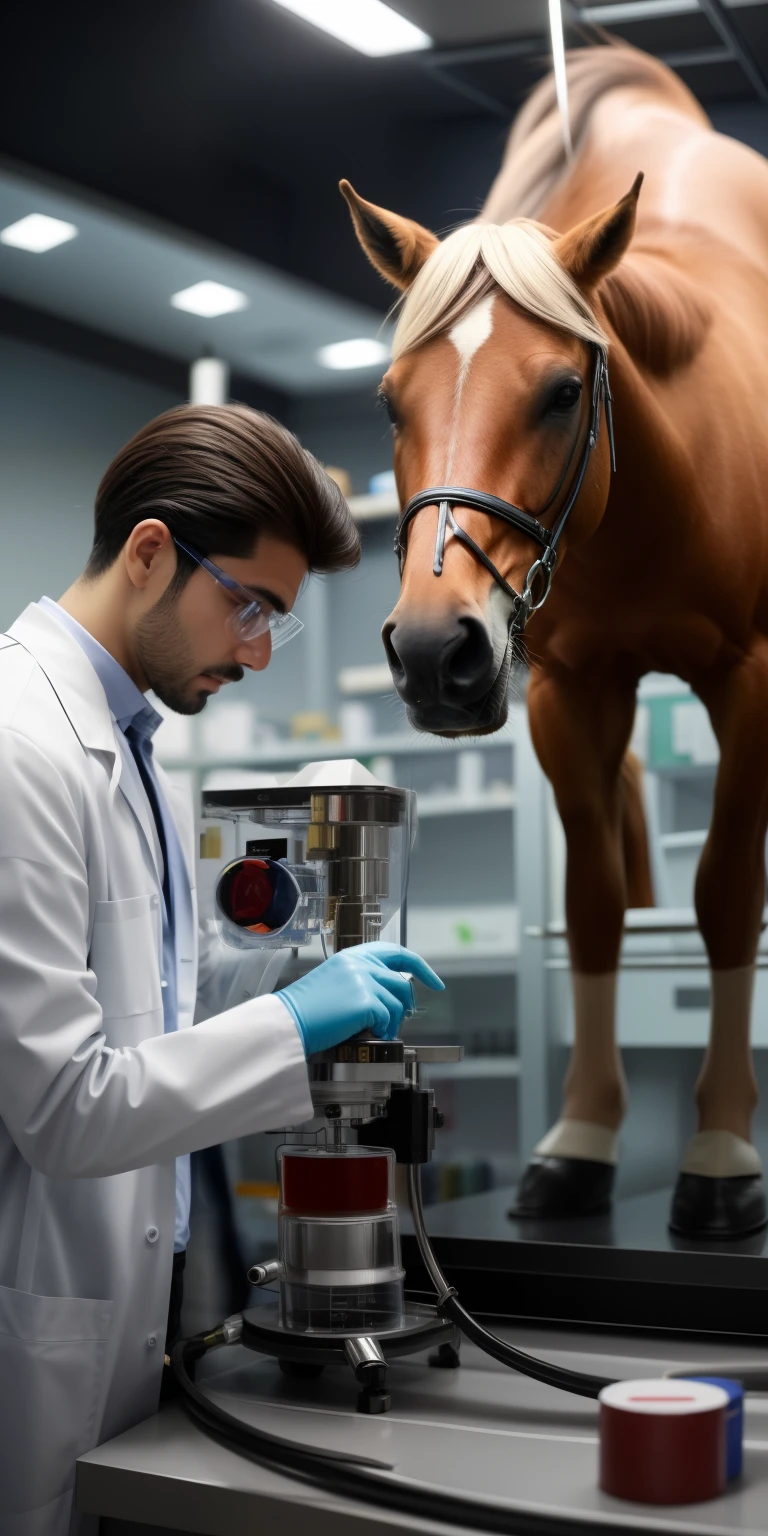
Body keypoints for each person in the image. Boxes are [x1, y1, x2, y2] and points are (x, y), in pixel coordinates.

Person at [0, 404, 443, 1536]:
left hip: (123, 1305)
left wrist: (325, 962)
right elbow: (64, 1106)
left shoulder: (132, 742)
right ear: (151, 553)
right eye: (248, 605)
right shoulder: (19, 745)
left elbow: (162, 1004)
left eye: (274, 624)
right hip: (38, 1313)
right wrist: (296, 1023)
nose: (254, 651)